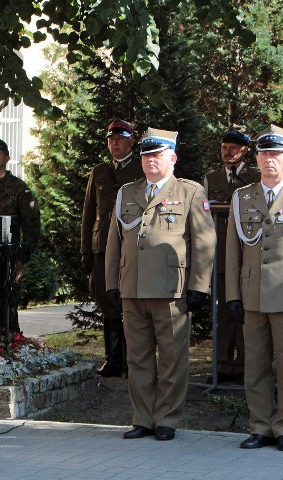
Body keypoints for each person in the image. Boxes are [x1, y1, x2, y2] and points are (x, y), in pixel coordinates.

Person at [105, 128, 215, 441]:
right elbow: (115, 240)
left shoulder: (189, 192)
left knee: (171, 357)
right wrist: (112, 282)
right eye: (146, 155)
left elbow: (205, 241)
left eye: (158, 155)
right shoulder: (127, 192)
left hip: (172, 289)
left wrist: (200, 286)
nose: (151, 161)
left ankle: (167, 418)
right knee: (136, 358)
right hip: (133, 287)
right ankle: (143, 417)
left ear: (173, 157)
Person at [225, 125, 283, 452]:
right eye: (264, 154)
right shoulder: (242, 198)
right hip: (252, 293)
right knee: (254, 365)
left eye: (276, 155)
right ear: (256, 158)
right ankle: (260, 425)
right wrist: (232, 293)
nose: (269, 160)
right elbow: (232, 250)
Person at [81, 120, 144, 378]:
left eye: (120, 138)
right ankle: (113, 359)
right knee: (107, 304)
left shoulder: (142, 168)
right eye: (111, 139)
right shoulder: (99, 171)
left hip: (131, 245)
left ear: (131, 141)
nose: (114, 143)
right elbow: (88, 213)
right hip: (102, 245)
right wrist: (85, 249)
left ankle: (132, 361)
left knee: (130, 303)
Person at [202, 129, 260, 383]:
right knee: (224, 313)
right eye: (224, 147)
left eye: (233, 148)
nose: (227, 152)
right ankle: (224, 366)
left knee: (247, 313)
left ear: (244, 150)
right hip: (221, 256)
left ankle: (246, 366)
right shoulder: (211, 179)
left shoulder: (255, 178)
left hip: (249, 254)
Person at [0, 138, 40, 333]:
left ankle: (9, 342)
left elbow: (32, 226)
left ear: (7, 157)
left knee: (8, 302)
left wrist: (22, 259)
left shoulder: (19, 188)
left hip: (8, 255)